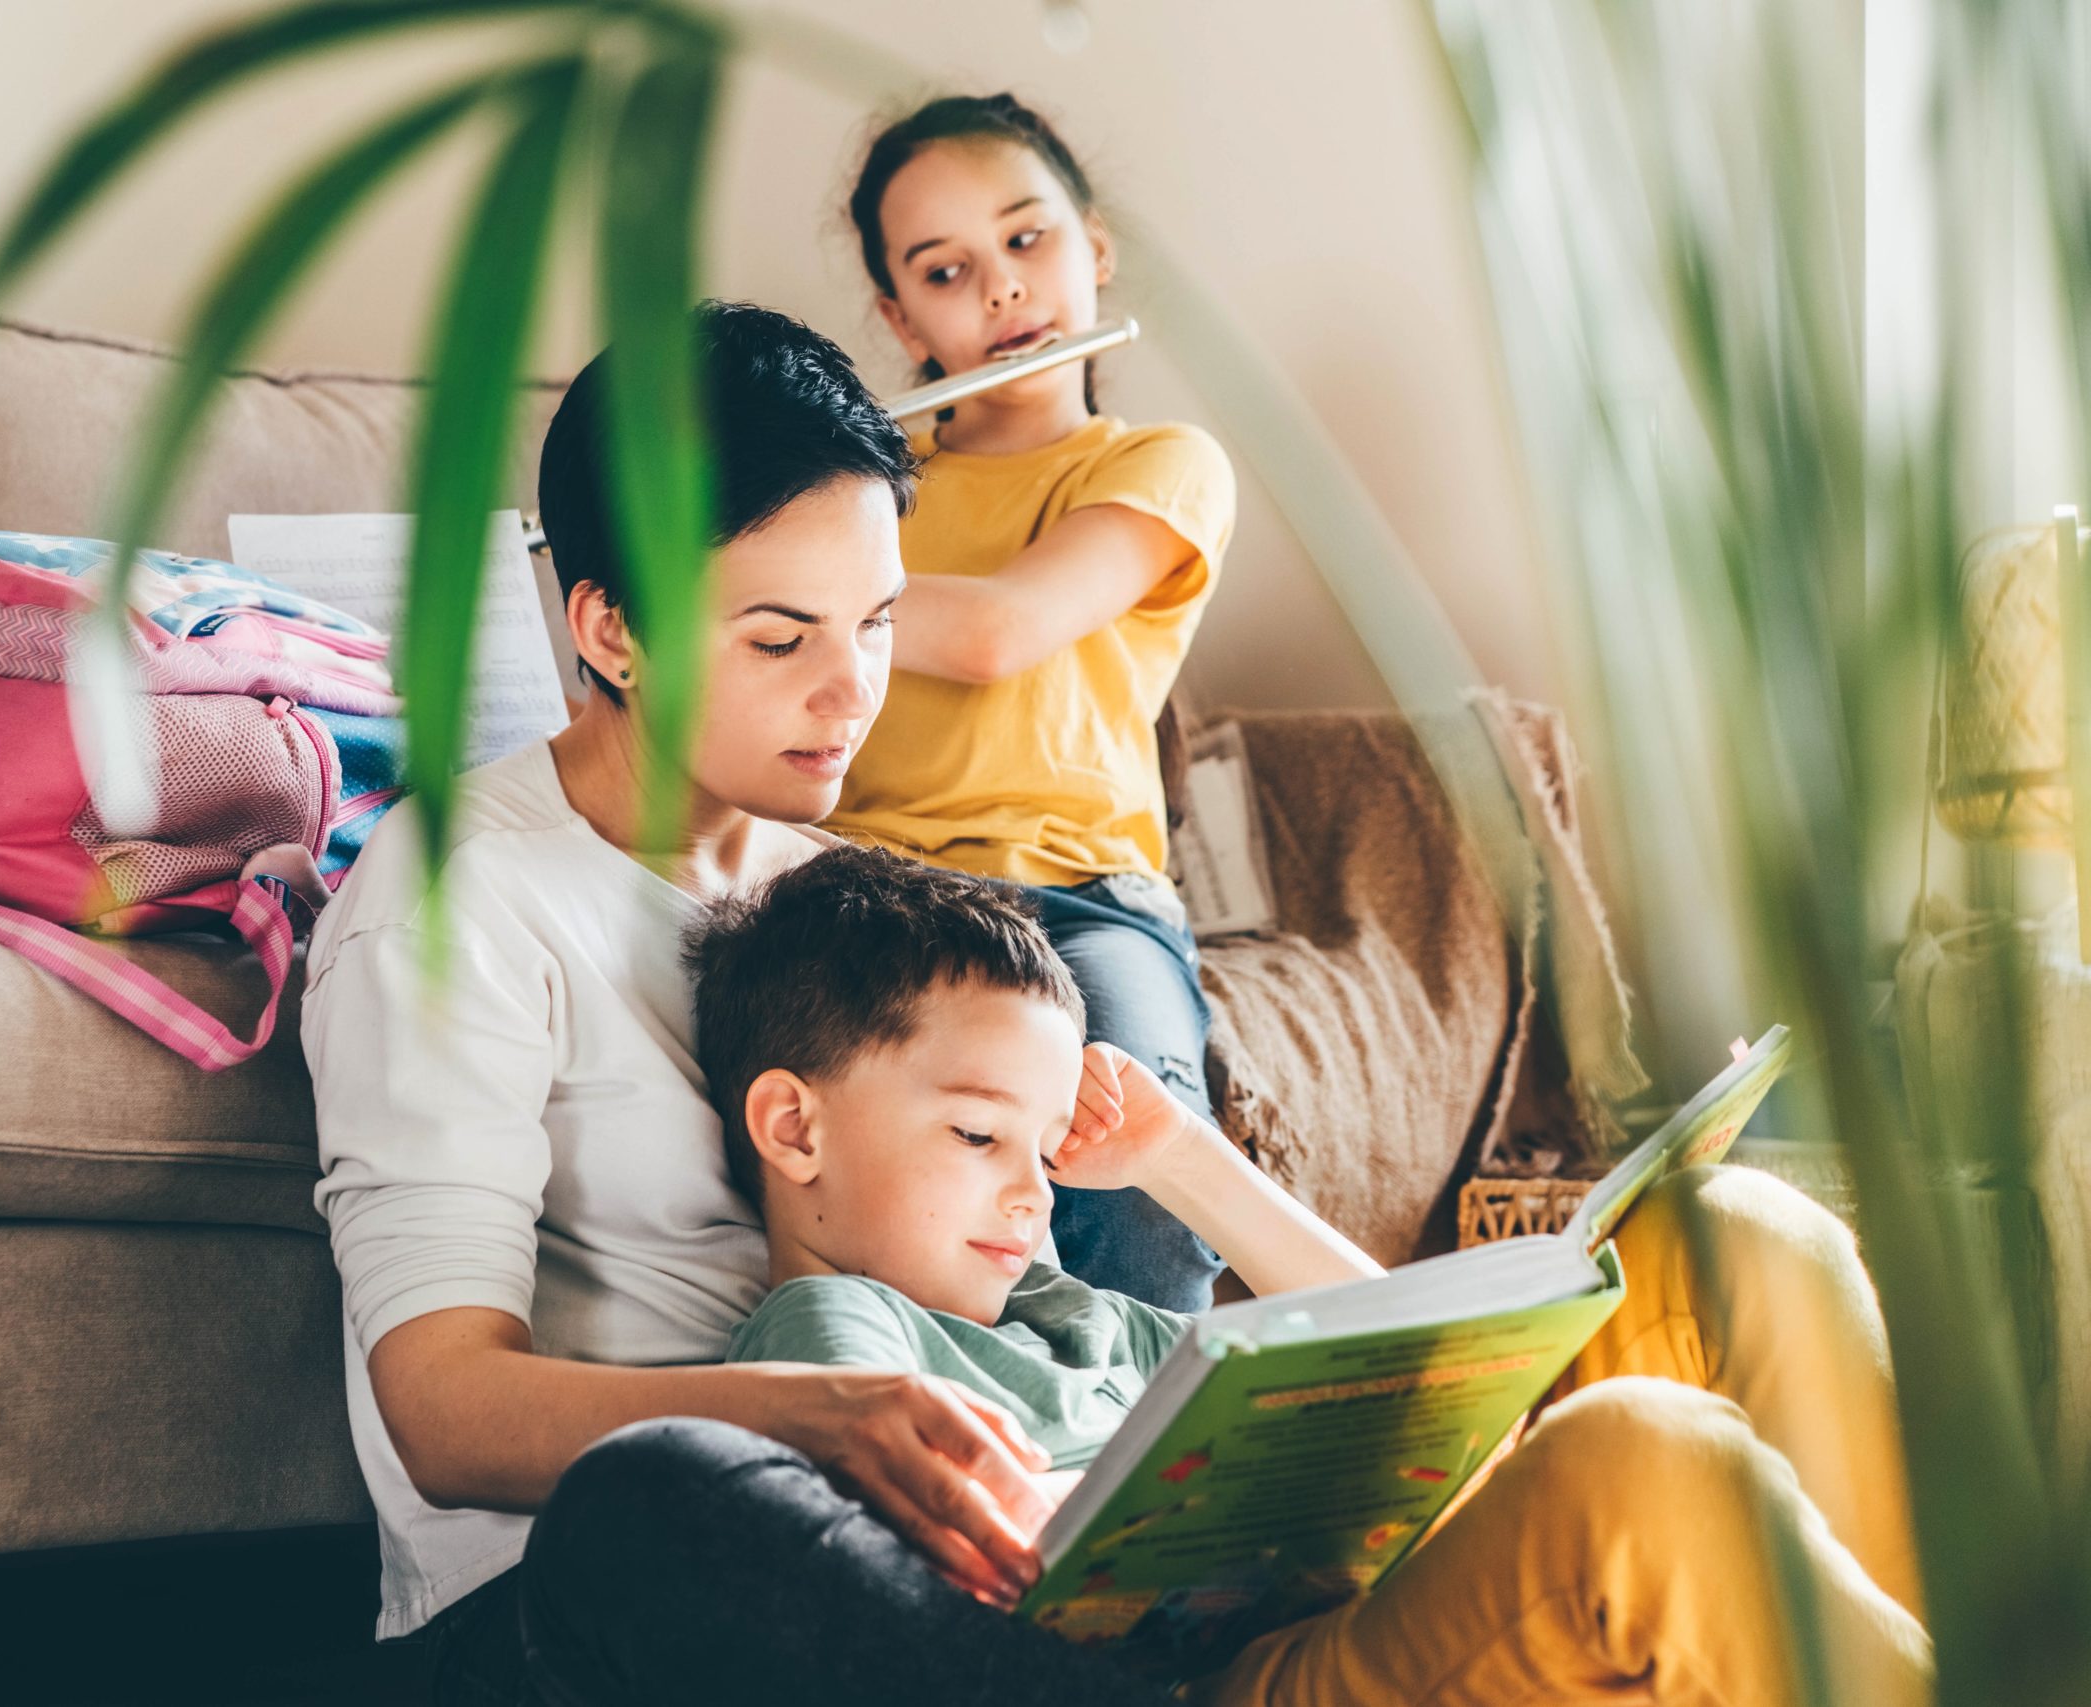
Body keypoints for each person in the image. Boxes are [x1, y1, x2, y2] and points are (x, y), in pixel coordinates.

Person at [563, 841, 1930, 1707]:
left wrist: (1180, 1156)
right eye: (980, 1133)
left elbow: (1418, 1358)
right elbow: (918, 1614)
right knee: (1644, 1455)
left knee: (1745, 1235)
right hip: (1224, 1677)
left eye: (1041, 1143)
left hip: (1369, 1596)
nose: (1031, 1187)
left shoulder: (1075, 1311)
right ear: (795, 1126)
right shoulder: (830, 1337)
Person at [306, 300, 1072, 1696]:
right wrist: (818, 1418)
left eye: (879, 623)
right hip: (562, 1601)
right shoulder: (458, 894)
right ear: (611, 626)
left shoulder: (845, 894)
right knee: (665, 1488)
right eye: (781, 640)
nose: (853, 693)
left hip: (876, 1558)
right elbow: (443, 1409)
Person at [827, 93, 1242, 1311]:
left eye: (1026, 241)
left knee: (1147, 1178)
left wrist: (771, 577)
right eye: (945, 271)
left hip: (1081, 904)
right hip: (869, 890)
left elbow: (1002, 632)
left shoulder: (1157, 464)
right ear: (902, 319)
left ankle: (1146, 1467)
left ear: (1093, 248)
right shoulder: (864, 495)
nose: (1001, 291)